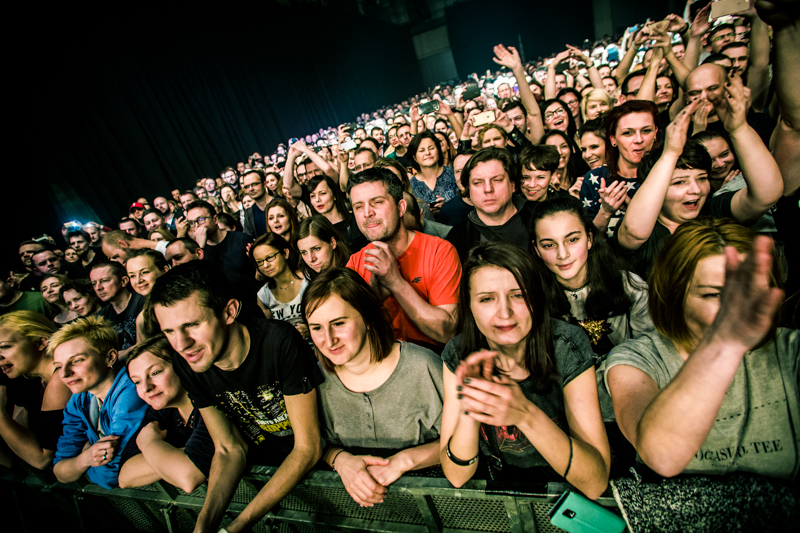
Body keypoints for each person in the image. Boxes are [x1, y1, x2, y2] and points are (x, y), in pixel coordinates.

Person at [604, 220, 797, 527]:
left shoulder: (790, 349)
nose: (735, 309)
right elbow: (661, 456)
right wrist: (725, 344)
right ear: (675, 295)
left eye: (747, 294)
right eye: (712, 295)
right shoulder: (637, 360)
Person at [148, 261, 324, 533]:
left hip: (317, 477)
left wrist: (236, 527)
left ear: (229, 311)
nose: (181, 344)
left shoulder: (278, 343)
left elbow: (307, 448)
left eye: (192, 324)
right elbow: (229, 448)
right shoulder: (187, 364)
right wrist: (204, 527)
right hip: (265, 480)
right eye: (169, 331)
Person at [439, 242, 610, 499]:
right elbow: (456, 475)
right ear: (469, 307)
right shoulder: (458, 354)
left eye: (518, 295)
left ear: (536, 299)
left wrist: (526, 414)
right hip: (502, 493)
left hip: (565, 493)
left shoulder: (568, 346)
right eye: (486, 299)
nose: (505, 313)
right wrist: (471, 406)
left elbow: (595, 483)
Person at [304, 268, 444, 507]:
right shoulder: (316, 379)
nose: (328, 340)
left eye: (338, 323)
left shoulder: (423, 367)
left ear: (368, 318)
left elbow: (467, 444)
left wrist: (404, 460)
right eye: (316, 328)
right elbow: (310, 443)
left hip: (436, 506)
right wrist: (340, 460)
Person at [615, 81, 783, 279]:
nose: (695, 190)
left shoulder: (712, 211)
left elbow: (766, 195)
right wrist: (670, 153)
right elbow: (633, 232)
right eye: (679, 182)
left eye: (702, 178)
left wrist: (738, 129)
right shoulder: (646, 229)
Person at [346, 167, 460, 351]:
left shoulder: (440, 251)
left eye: (377, 202)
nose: (367, 213)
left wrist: (395, 282)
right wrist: (373, 297)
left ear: (401, 208)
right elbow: (353, 339)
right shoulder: (354, 263)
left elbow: (447, 332)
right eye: (359, 206)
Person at [530, 196, 652, 357]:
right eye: (549, 245)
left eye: (572, 240)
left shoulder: (629, 286)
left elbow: (651, 351)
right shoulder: (531, 298)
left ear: (589, 239)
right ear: (537, 250)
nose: (562, 254)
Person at [50, 316, 149, 489]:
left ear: (110, 357)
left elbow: (111, 475)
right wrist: (86, 457)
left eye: (77, 361)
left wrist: (81, 464)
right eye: (59, 366)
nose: (65, 373)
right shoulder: (78, 401)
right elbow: (60, 471)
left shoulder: (132, 388)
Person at [118, 335, 212, 492]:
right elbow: (125, 477)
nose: (146, 387)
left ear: (182, 365)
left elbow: (188, 476)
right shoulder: (160, 413)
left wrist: (149, 443)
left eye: (155, 373)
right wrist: (176, 458)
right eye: (137, 381)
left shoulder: (211, 403)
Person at [0, 311, 72, 469]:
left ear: (41, 343)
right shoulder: (32, 381)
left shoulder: (61, 378)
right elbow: (18, 451)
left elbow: (41, 460)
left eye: (5, 347)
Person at [580, 101, 660, 235]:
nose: (639, 139)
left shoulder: (665, 176)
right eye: (628, 133)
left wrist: (631, 209)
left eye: (646, 131)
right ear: (613, 139)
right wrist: (605, 212)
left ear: (656, 134)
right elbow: (588, 241)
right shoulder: (595, 178)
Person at [446, 148, 533, 263]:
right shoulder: (457, 236)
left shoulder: (539, 216)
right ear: (469, 190)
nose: (488, 189)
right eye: (478, 183)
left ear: (513, 184)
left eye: (497, 180)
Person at [251, 233, 309, 339]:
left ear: (285, 253)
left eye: (270, 257)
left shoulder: (308, 280)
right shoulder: (263, 295)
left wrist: (310, 330)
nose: (265, 265)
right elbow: (268, 333)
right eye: (259, 262)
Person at [186, 200, 254, 279]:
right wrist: (200, 247)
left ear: (215, 219)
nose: (196, 226)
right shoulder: (197, 250)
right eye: (192, 222)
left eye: (201, 220)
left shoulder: (241, 239)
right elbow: (199, 277)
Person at [91, 262, 145, 351]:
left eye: (104, 280)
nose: (98, 287)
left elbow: (145, 344)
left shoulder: (142, 303)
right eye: (93, 283)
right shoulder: (102, 315)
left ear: (124, 281)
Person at [407, 131, 458, 217]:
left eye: (431, 148)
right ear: (414, 157)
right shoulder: (411, 186)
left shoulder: (454, 174)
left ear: (438, 150)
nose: (427, 153)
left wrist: (448, 206)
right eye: (421, 150)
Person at [294, 215, 351, 282]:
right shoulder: (307, 282)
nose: (310, 259)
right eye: (304, 252)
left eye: (316, 249)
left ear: (332, 242)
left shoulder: (356, 268)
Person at [240, 169, 275, 238]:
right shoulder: (249, 213)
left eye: (254, 184)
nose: (251, 189)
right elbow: (249, 237)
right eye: (246, 187)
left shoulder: (280, 203)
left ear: (264, 184)